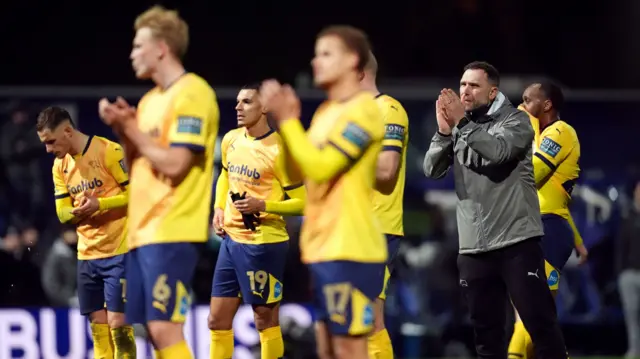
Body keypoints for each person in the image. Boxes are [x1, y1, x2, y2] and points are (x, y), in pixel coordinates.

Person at [423, 61, 568, 359]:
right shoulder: (461, 128)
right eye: (462, 84)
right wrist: (443, 133)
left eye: (474, 85)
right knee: (486, 335)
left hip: (516, 243)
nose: (465, 91)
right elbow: (431, 169)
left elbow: (498, 153)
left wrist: (462, 124)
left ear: (493, 92)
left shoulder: (516, 121)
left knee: (539, 325)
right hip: (474, 248)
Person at [99, 5, 219, 359]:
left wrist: (133, 129)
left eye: (138, 45)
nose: (132, 53)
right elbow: (139, 161)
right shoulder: (150, 101)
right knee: (146, 327)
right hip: (142, 229)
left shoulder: (192, 93)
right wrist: (125, 131)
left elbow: (177, 163)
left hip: (173, 229)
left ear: (161, 48)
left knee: (166, 327)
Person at [260, 25, 387, 359]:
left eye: (327, 53)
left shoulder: (365, 111)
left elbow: (322, 168)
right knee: (328, 348)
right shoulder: (325, 113)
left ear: (352, 60)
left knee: (349, 347)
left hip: (351, 247)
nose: (316, 61)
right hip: (321, 247)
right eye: (316, 53)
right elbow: (294, 173)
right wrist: (285, 126)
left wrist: (288, 122)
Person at [208, 84, 306, 359]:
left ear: (264, 108)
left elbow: (304, 202)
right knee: (217, 320)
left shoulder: (280, 151)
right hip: (230, 242)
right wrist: (218, 208)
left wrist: (263, 205)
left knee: (264, 321)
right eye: (238, 101)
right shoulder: (231, 140)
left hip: (263, 245)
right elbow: (225, 176)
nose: (238, 107)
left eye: (247, 102)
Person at [36, 106, 136, 359]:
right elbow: (62, 213)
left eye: (51, 142)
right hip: (87, 255)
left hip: (119, 251)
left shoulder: (109, 151)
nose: (48, 149)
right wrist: (79, 211)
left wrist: (99, 204)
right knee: (98, 326)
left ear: (68, 131)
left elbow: (137, 195)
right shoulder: (60, 167)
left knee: (118, 323)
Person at [508, 82, 585, 359]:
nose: (523, 105)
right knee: (536, 318)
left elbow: (534, 174)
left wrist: (524, 128)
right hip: (534, 227)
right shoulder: (540, 136)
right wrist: (578, 241)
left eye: (528, 101)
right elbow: (560, 199)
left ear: (547, 104)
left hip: (548, 230)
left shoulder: (560, 132)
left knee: (533, 313)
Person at [360, 51, 409, 359]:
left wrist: (341, 158)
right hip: (351, 229)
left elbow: (387, 170)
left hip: (377, 228)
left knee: (369, 319)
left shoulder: (389, 110)